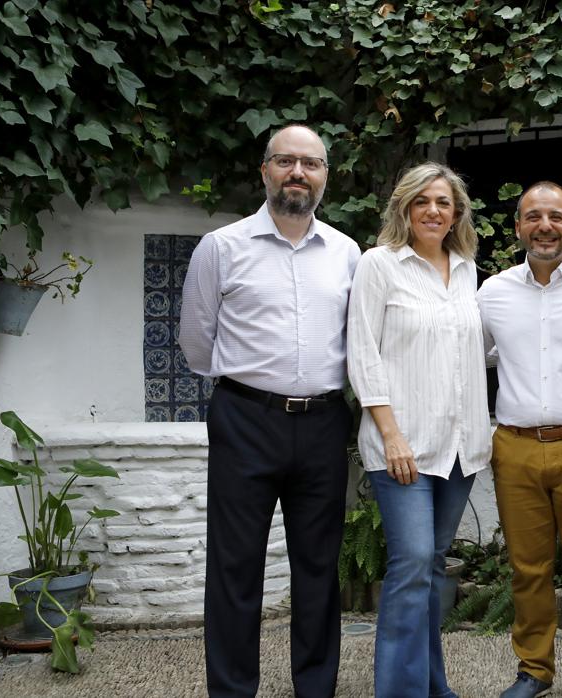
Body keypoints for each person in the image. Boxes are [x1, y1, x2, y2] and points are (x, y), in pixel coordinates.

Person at [178, 124, 360, 698]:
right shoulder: (221, 247)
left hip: (326, 423)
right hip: (245, 419)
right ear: (265, 171)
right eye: (286, 161)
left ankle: (315, 687)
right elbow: (197, 343)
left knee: (318, 568)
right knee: (235, 568)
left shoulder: (347, 253)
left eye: (311, 164)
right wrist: (253, 388)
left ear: (325, 176)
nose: (298, 173)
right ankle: (232, 690)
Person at [346, 162, 490, 698]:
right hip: (401, 448)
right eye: (423, 201)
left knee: (430, 567)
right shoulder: (378, 265)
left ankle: (433, 684)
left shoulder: (468, 268)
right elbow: (363, 353)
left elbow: (471, 351)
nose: (434, 210)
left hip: (460, 449)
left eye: (444, 202)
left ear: (457, 214)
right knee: (410, 566)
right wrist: (390, 434)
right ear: (405, 207)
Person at [477, 182, 562, 698]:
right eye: (533, 216)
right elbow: (471, 359)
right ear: (518, 228)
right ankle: (534, 669)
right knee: (527, 569)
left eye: (556, 216)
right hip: (513, 445)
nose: (544, 226)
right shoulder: (491, 292)